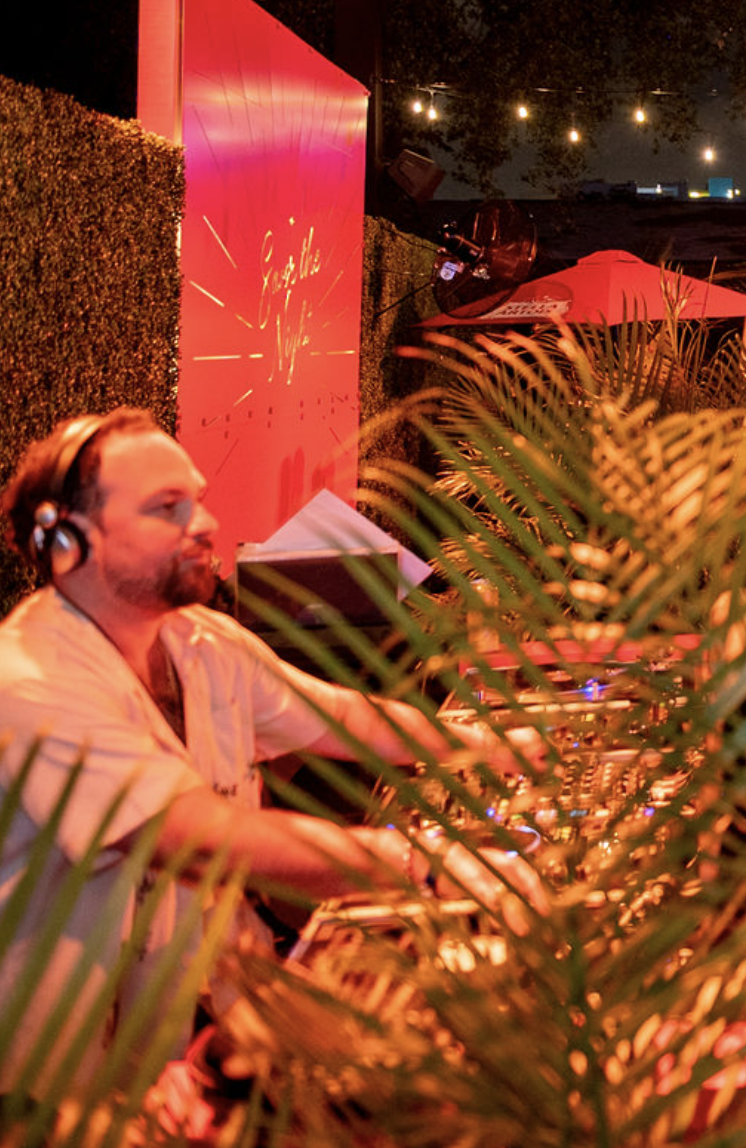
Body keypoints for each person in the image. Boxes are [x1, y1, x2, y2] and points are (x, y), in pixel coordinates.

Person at [0, 411, 543, 1095]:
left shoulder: (200, 641)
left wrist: (494, 746)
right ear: (67, 539)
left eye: (197, 500)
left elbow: (344, 718)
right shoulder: (29, 683)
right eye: (167, 508)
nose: (204, 523)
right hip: (62, 1090)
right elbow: (204, 841)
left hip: (199, 1036)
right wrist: (422, 865)